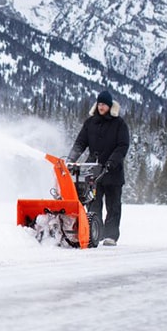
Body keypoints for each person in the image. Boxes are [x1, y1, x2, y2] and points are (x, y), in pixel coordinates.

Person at [67, 89, 130, 246]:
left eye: (104, 105)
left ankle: (110, 236)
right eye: (99, 104)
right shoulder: (90, 123)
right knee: (93, 203)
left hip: (112, 171)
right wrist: (71, 158)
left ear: (110, 106)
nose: (101, 107)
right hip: (93, 170)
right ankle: (96, 233)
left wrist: (111, 162)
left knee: (113, 205)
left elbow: (122, 146)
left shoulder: (119, 124)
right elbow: (81, 142)